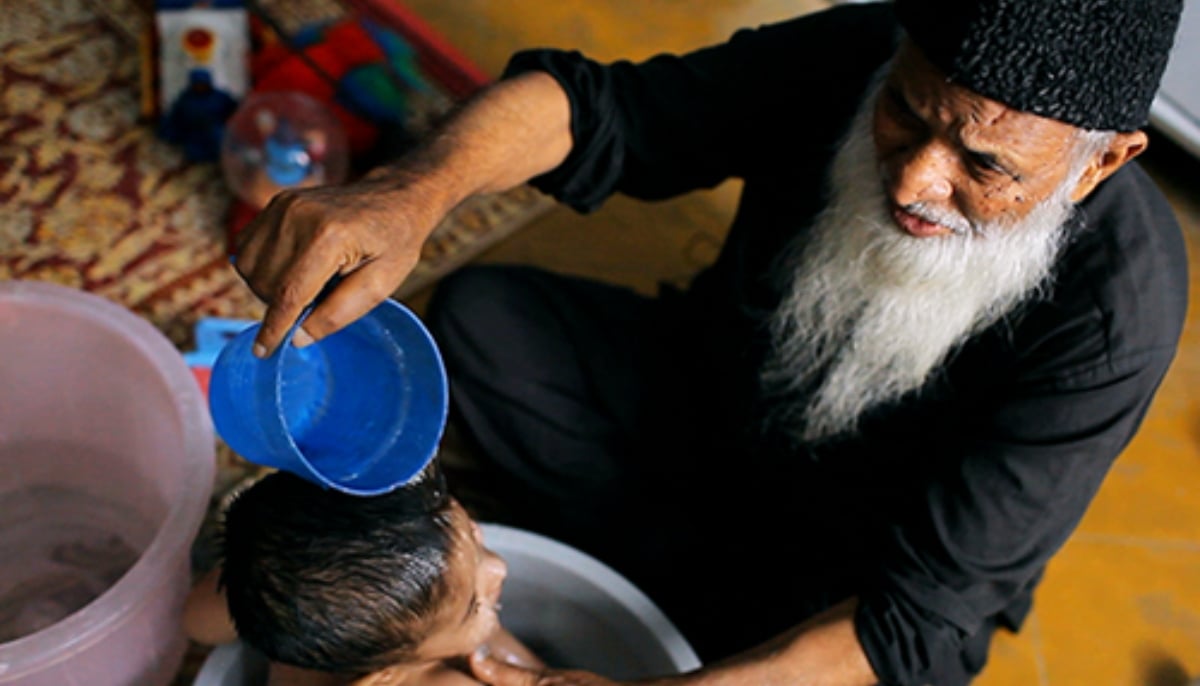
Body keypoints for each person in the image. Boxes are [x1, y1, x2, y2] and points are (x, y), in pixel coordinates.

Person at [228, 0, 1189, 683]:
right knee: (484, 324)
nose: (914, 181)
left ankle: (680, 592)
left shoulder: (1114, 316)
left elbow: (920, 619)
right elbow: (600, 111)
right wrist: (413, 191)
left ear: (1103, 161)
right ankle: (659, 566)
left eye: (984, 165)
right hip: (698, 406)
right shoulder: (860, 52)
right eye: (905, 114)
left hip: (844, 563)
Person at [183, 465, 542, 686]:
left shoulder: (291, 604)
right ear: (386, 672)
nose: (499, 567)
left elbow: (194, 623)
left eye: (475, 539)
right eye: (474, 606)